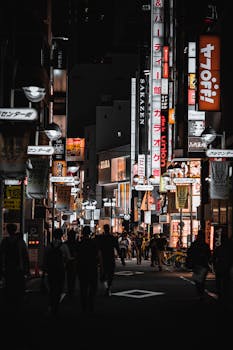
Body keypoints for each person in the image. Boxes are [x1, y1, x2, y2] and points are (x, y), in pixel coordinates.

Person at [0, 223, 30, 314]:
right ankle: (18, 303)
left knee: (8, 285)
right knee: (19, 286)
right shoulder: (21, 242)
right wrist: (27, 268)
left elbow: (1, 255)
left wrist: (2, 268)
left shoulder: (4, 241)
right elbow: (25, 256)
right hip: (18, 268)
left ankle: (9, 303)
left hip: (8, 268)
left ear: (8, 231)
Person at [42, 228, 70, 316]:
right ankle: (56, 305)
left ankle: (51, 304)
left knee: (52, 287)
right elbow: (68, 258)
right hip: (60, 270)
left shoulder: (49, 246)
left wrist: (44, 270)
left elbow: (45, 259)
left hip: (51, 270)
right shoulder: (64, 246)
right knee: (59, 288)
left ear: (53, 235)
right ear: (61, 235)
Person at [76, 226, 100, 313]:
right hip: (92, 268)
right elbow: (98, 255)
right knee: (93, 288)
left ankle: (84, 307)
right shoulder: (94, 243)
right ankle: (91, 306)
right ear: (90, 233)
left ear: (82, 233)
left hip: (82, 268)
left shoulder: (79, 243)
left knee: (83, 288)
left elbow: (76, 257)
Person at [186, 230, 212, 301]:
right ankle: (201, 293)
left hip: (197, 265)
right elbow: (209, 255)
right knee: (201, 280)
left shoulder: (195, 244)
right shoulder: (205, 245)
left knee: (197, 280)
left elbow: (189, 252)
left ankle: (200, 293)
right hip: (203, 265)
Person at [98, 224, 120, 296]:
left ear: (104, 229)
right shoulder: (112, 238)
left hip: (103, 258)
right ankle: (108, 287)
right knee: (110, 274)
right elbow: (117, 248)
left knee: (103, 275)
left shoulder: (100, 238)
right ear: (109, 229)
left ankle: (107, 287)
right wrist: (122, 259)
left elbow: (97, 249)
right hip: (110, 258)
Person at [212, 234, 233, 306]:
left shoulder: (219, 248)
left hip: (220, 266)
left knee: (219, 280)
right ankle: (226, 293)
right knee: (226, 281)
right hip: (227, 267)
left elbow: (214, 258)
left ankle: (220, 293)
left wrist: (214, 266)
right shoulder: (229, 249)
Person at [64, 229, 78, 298]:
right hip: (74, 262)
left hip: (67, 262)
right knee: (73, 276)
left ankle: (70, 289)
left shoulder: (65, 243)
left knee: (69, 276)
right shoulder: (77, 243)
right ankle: (71, 289)